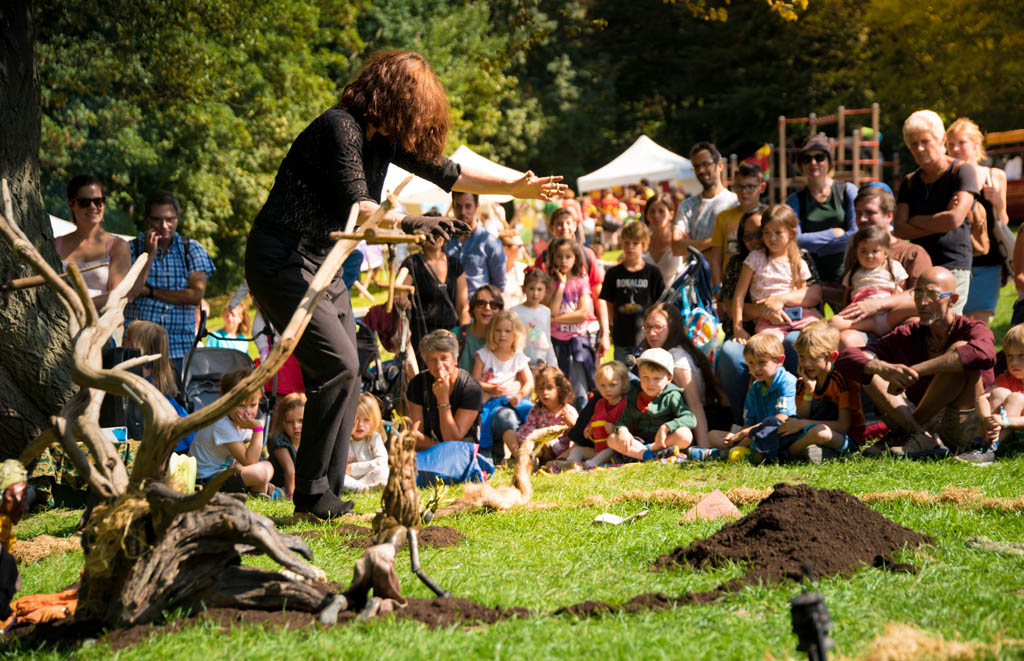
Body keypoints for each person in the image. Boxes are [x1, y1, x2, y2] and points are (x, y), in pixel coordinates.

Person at [245, 50, 564, 518]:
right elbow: (361, 208)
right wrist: (413, 221)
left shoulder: (383, 140)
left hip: (324, 260)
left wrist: (517, 186)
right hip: (282, 258)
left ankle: (324, 492)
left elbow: (451, 172)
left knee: (348, 369)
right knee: (337, 365)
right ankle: (312, 495)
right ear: (392, 99)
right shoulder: (341, 128)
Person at [833, 266, 996, 457]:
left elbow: (984, 353)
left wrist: (917, 370)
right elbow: (845, 359)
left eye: (932, 295)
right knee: (869, 366)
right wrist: (882, 368)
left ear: (952, 300)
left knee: (959, 351)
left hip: (964, 425)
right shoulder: (908, 334)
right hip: (919, 422)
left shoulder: (972, 328)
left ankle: (906, 434)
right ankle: (919, 435)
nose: (923, 302)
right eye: (918, 293)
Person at [893, 110, 979, 315]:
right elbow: (900, 229)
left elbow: (954, 219)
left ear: (942, 139)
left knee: (947, 317)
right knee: (922, 319)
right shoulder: (910, 182)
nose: (920, 148)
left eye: (925, 141)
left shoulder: (961, 171)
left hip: (954, 262)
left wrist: (915, 220)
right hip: (920, 265)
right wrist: (940, 221)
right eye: (914, 144)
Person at [126, 190, 216, 376]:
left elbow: (195, 295)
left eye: (170, 219)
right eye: (157, 219)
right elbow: (131, 294)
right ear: (146, 219)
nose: (164, 226)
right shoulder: (131, 249)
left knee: (176, 395)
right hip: (139, 349)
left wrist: (151, 292)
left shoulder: (191, 249)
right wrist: (149, 255)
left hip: (179, 349)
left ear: (178, 218)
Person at [832, 184, 933, 349]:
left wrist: (877, 305)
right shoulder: (857, 251)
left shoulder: (913, 253)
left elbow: (923, 295)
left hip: (897, 320)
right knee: (846, 338)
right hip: (863, 323)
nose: (862, 219)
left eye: (870, 213)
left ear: (889, 216)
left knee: (913, 325)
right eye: (858, 213)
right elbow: (849, 289)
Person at [946, 117, 1010, 325]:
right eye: (950, 144)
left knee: (979, 326)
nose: (955, 148)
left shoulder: (995, 176)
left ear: (976, 144)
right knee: (953, 324)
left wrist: (998, 202)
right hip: (953, 262)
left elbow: (1003, 221)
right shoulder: (946, 177)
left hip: (987, 263)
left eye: (961, 142)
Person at [638, 303, 725, 448]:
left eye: (658, 327)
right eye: (647, 327)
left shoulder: (676, 358)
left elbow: (695, 404)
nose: (651, 333)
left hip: (689, 426)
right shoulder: (666, 353)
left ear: (672, 327)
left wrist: (703, 447)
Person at [732, 205, 822, 340]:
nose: (772, 238)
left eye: (778, 233)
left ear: (791, 233)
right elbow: (739, 296)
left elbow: (802, 297)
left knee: (815, 336)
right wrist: (738, 328)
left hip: (796, 315)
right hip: (767, 320)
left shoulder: (797, 261)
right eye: (766, 233)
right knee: (770, 346)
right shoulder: (755, 258)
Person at [779, 322, 863, 463]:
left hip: (844, 438)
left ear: (832, 356)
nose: (806, 364)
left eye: (813, 357)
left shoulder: (840, 380)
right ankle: (820, 452)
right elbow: (802, 416)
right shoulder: (804, 381)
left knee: (820, 433)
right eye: (802, 357)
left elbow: (843, 426)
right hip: (810, 430)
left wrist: (802, 424)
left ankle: (785, 454)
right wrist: (809, 391)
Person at [705, 332, 798, 459]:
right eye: (751, 363)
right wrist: (736, 436)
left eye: (762, 362)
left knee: (755, 434)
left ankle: (724, 454)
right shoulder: (755, 388)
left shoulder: (786, 381)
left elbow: (781, 418)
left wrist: (746, 433)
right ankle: (735, 450)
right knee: (713, 435)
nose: (756, 369)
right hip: (755, 433)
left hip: (779, 434)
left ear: (779, 360)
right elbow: (749, 421)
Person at [534, 207, 610, 359]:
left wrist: (605, 333)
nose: (564, 227)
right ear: (552, 228)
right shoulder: (543, 259)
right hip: (553, 333)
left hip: (585, 331)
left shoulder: (587, 255)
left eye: (568, 223)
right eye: (559, 224)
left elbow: (598, 295)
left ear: (575, 226)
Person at [189, 368, 276, 496]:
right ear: (226, 401)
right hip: (205, 481)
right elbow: (250, 461)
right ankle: (259, 491)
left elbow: (248, 459)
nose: (247, 412)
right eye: (241, 405)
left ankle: (259, 487)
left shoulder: (238, 420)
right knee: (260, 472)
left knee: (268, 466)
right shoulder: (222, 424)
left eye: (253, 405)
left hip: (224, 472)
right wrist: (258, 428)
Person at [786, 135, 858, 285]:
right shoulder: (794, 200)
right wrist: (832, 233)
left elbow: (855, 235)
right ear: (801, 165)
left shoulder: (847, 191)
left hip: (846, 273)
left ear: (829, 162)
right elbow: (793, 240)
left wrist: (818, 248)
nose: (813, 163)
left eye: (819, 157)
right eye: (807, 159)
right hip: (808, 276)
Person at [56, 175, 131, 309]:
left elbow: (118, 295)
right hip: (57, 319)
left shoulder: (118, 246)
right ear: (71, 204)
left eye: (98, 201)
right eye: (84, 202)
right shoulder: (55, 245)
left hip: (102, 320)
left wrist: (78, 306)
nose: (92, 207)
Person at [609, 348, 696, 461]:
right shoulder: (635, 396)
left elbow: (690, 418)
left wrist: (666, 427)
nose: (650, 383)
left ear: (669, 379)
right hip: (641, 442)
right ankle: (649, 455)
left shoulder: (672, 395)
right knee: (612, 438)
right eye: (645, 377)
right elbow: (624, 421)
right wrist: (623, 431)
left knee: (685, 434)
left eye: (656, 378)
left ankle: (643, 454)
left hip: (664, 441)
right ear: (639, 375)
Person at [829, 225, 915, 338]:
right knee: (834, 321)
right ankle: (873, 326)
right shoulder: (853, 273)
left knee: (914, 306)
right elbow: (846, 298)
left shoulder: (893, 266)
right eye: (863, 251)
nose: (869, 256)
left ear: (885, 253)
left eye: (875, 251)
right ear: (856, 252)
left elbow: (902, 290)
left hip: (889, 313)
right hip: (864, 317)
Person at [398, 228, 469, 365]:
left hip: (451, 335)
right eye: (431, 233)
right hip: (423, 337)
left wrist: (463, 334)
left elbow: (463, 306)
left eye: (440, 232)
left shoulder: (455, 264)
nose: (436, 237)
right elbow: (399, 294)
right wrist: (402, 300)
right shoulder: (412, 263)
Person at [123, 320, 196, 453]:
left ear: (140, 347)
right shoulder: (161, 371)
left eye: (128, 338)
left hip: (163, 432)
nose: (124, 340)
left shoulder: (140, 372)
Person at [473, 310, 534, 464]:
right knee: (498, 420)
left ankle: (538, 451)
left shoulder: (518, 357)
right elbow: (474, 381)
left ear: (516, 334)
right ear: (491, 333)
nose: (502, 335)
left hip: (511, 398)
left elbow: (529, 382)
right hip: (490, 400)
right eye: (498, 330)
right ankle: (520, 458)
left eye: (507, 331)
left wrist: (520, 396)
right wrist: (491, 389)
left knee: (531, 413)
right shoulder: (484, 354)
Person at [600, 221, 665, 363]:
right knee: (622, 374)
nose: (630, 247)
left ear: (644, 245)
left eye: (635, 243)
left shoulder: (653, 273)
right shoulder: (613, 273)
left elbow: (659, 305)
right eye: (626, 243)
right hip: (621, 338)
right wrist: (613, 325)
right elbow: (608, 302)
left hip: (646, 338)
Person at [408, 329, 482, 450]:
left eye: (444, 358)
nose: (439, 366)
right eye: (432, 360)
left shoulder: (471, 388)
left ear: (455, 360)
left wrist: (443, 399)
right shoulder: (418, 383)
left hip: (462, 451)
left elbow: (452, 439)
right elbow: (414, 434)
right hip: (429, 450)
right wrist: (440, 449)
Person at [546, 237, 594, 411]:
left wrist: (556, 320)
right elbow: (551, 311)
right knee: (558, 387)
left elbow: (583, 314)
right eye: (559, 256)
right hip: (556, 342)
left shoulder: (581, 281)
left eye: (568, 256)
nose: (563, 261)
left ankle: (581, 419)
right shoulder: (551, 281)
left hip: (576, 341)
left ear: (576, 258)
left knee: (579, 389)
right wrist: (561, 285)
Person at [672, 142, 738, 259]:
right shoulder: (687, 206)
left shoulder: (736, 203)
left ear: (720, 165)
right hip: (695, 271)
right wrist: (718, 240)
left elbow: (734, 248)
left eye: (706, 164)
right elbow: (677, 247)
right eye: (696, 166)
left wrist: (691, 245)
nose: (701, 170)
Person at [710, 163, 766, 290]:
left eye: (750, 187)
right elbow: (716, 258)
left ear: (762, 187)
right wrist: (717, 288)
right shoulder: (723, 217)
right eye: (739, 187)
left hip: (762, 283)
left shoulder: (768, 215)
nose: (744, 192)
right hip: (731, 284)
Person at [568, 361, 629, 468]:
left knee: (609, 450)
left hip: (615, 450)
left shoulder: (625, 404)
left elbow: (630, 427)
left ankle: (590, 464)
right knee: (577, 449)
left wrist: (614, 428)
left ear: (623, 384)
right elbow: (593, 420)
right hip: (597, 448)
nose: (607, 389)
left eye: (612, 385)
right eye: (603, 386)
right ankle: (571, 463)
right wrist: (588, 429)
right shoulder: (600, 404)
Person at [446, 192, 506, 298]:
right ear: (453, 206)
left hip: (478, 305)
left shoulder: (491, 243)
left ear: (477, 206)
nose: (463, 212)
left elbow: (498, 287)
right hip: (448, 304)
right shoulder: (445, 240)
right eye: (458, 206)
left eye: (468, 206)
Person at [513, 365, 578, 463]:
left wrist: (571, 423)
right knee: (509, 435)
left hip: (556, 449)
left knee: (545, 443)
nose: (544, 392)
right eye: (540, 388)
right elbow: (528, 428)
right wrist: (528, 440)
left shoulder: (568, 411)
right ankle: (524, 459)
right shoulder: (536, 410)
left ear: (559, 389)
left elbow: (578, 433)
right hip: (535, 443)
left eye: (549, 388)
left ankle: (528, 459)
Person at [511, 269, 557, 368]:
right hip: (521, 364)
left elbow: (547, 339)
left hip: (541, 363)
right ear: (524, 289)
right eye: (531, 288)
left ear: (546, 291)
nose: (535, 293)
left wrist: (553, 364)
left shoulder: (546, 311)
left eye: (539, 289)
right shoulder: (514, 311)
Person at [343, 394, 389, 492]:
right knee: (338, 477)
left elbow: (382, 461)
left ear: (374, 420)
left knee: (383, 471)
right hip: (349, 479)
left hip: (369, 477)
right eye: (355, 420)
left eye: (366, 420)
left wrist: (353, 468)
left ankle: (362, 488)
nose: (360, 425)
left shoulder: (374, 438)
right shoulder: (344, 439)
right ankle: (364, 489)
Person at [456, 285, 503, 372]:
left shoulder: (506, 339)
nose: (487, 308)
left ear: (500, 311)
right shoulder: (455, 336)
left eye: (493, 305)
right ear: (473, 308)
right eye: (481, 304)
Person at [642, 194, 685, 286]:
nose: (656, 215)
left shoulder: (680, 241)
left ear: (671, 215)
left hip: (676, 294)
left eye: (661, 211)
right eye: (652, 211)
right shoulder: (640, 243)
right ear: (647, 215)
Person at [268, 392, 305, 499]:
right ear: (282, 422)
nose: (296, 426)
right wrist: (291, 497)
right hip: (281, 486)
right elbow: (290, 470)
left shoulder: (310, 439)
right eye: (289, 422)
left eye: (301, 421)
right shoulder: (279, 441)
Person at [501, 232, 528, 307]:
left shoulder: (524, 270)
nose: (523, 249)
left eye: (523, 245)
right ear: (505, 249)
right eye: (519, 246)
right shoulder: (493, 271)